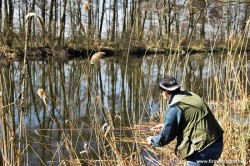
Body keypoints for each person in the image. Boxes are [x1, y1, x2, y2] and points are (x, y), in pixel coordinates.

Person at [147, 76, 224, 166]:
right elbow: (193, 119)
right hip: (217, 142)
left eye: (161, 91)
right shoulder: (191, 96)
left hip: (202, 151)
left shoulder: (174, 108)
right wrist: (165, 125)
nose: (161, 94)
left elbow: (164, 138)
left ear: (166, 92)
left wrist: (152, 140)